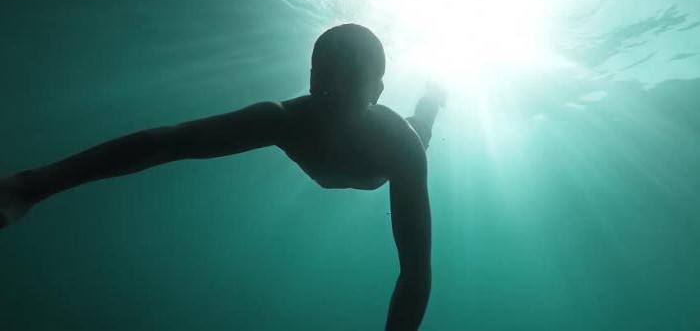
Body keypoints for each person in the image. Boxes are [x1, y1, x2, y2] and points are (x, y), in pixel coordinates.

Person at [0, 23, 445, 330]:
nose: (333, 96)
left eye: (349, 84)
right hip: (371, 146)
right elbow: (167, 142)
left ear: (375, 93)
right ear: (310, 78)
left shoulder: (401, 148)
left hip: (397, 147)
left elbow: (415, 271)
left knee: (419, 126)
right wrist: (33, 185)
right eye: (325, 81)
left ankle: (431, 100)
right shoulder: (283, 119)